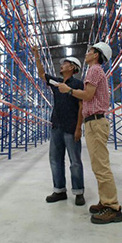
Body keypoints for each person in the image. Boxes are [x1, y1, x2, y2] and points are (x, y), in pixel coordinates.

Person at [57, 42, 122, 224]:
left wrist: (69, 90)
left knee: (101, 167)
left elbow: (87, 96)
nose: (86, 54)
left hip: (96, 122)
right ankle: (105, 201)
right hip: (93, 123)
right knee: (98, 166)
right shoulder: (94, 70)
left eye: (89, 51)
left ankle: (112, 207)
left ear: (96, 55)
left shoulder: (94, 70)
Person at [32, 46, 86, 206]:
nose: (61, 65)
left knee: (75, 161)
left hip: (71, 127)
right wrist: (36, 55)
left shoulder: (78, 84)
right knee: (55, 159)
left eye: (65, 63)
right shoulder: (56, 82)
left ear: (73, 68)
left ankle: (78, 192)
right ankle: (59, 190)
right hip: (56, 126)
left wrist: (78, 128)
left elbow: (81, 107)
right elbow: (42, 74)